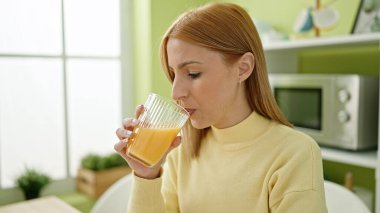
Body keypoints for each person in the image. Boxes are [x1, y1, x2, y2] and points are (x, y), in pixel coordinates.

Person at [114, 2, 327, 213]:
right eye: (173, 74)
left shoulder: (294, 153)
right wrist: (146, 175)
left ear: (242, 68)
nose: (176, 92)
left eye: (193, 73)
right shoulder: (183, 150)